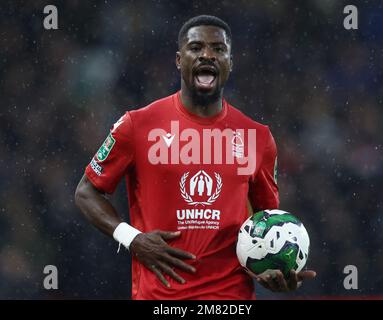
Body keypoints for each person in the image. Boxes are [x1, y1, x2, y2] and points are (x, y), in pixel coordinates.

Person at [75, 15, 316, 300]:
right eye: (196, 47)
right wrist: (133, 239)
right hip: (160, 300)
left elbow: (264, 224)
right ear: (179, 60)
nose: (207, 55)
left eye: (218, 49)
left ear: (230, 62)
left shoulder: (258, 137)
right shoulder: (137, 125)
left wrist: (270, 272)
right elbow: (86, 192)